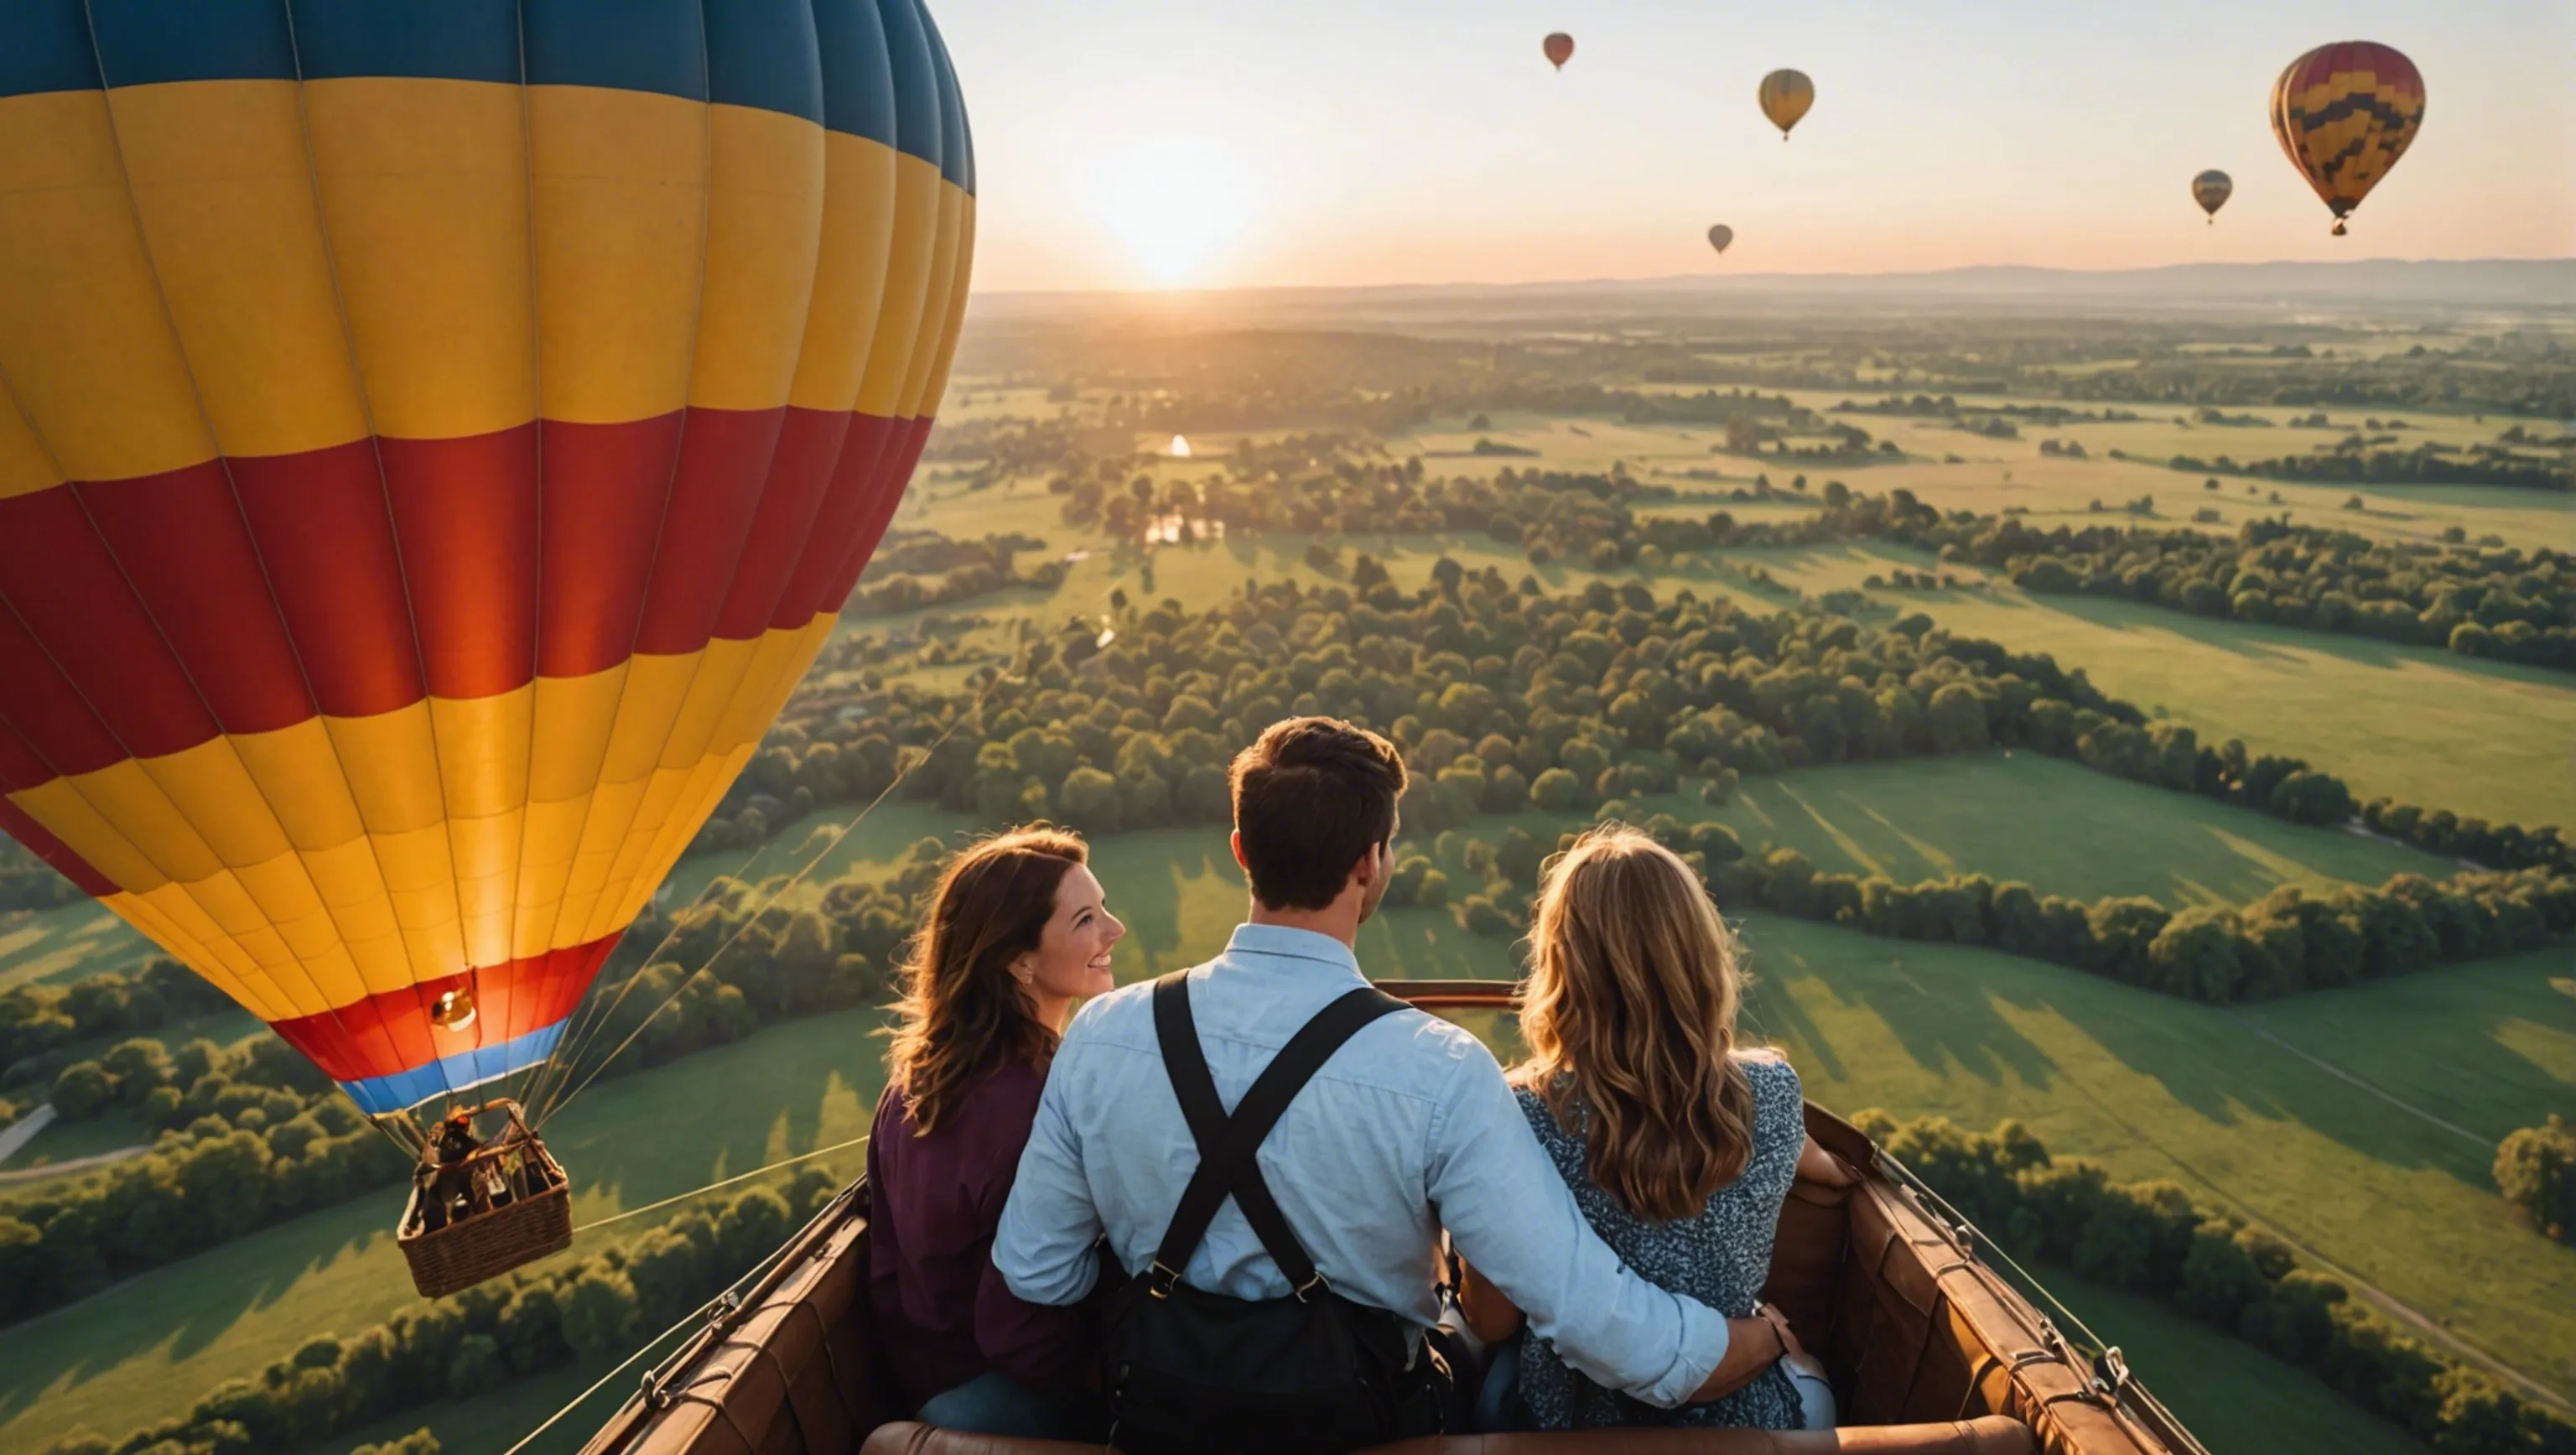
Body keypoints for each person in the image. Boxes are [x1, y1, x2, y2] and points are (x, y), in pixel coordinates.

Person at [995, 719, 1789, 1450]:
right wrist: (1750, 1341)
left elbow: (1037, 1269)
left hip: (1161, 1422)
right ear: (1371, 860)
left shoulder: (1101, 1035)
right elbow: (1590, 1314)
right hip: (1367, 1431)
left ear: (1241, 849)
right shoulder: (1437, 1068)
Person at [1452, 825, 1835, 1432]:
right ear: (1699, 952)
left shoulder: (1522, 1113)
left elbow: (1492, 1320)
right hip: (1742, 1423)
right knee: (1812, 1383)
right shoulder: (1774, 1092)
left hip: (1571, 1429)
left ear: (1562, 962)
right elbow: (1811, 1160)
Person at [867, 827, 1124, 1440]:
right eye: (1086, 919)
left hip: (926, 1380)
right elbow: (1024, 1330)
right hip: (1010, 1399)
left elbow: (885, 1269)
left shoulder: (912, 1084)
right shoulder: (1035, 1107)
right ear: (1019, 959)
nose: (1114, 929)